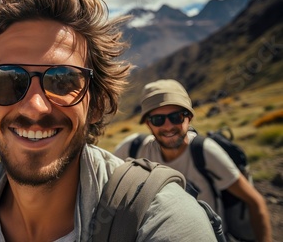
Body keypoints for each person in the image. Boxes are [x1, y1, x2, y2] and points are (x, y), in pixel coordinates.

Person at [0, 0, 216, 241]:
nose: (35, 107)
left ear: (96, 103)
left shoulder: (159, 217)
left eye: (62, 81)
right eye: (7, 80)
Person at [113, 79, 272, 242]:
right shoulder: (133, 149)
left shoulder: (205, 152)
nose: (168, 126)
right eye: (158, 119)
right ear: (148, 123)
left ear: (189, 118)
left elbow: (255, 202)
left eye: (176, 117)